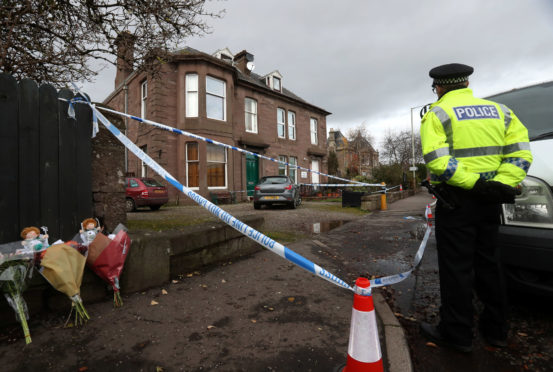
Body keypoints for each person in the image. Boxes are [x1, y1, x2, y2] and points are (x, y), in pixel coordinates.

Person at [419, 63, 533, 352]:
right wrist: (499, 185)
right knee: (490, 264)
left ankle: (457, 334)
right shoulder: (502, 111)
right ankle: (496, 330)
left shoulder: (437, 113)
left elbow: (437, 160)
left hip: (457, 200)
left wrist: (473, 184)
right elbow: (520, 153)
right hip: (492, 201)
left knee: (457, 269)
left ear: (439, 87)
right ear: (467, 84)